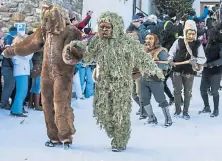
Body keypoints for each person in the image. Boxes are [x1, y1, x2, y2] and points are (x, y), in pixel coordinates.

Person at [3, 5, 84, 149]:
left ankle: (65, 135)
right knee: (47, 104)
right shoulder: (45, 31)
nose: (48, 24)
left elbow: (76, 49)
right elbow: (29, 44)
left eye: (50, 20)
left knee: (61, 104)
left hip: (62, 73)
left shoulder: (71, 31)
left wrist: (69, 53)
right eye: (45, 20)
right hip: (46, 73)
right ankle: (53, 136)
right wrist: (12, 50)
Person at [84, 12, 163, 152]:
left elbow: (141, 57)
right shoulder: (97, 40)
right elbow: (87, 56)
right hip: (103, 82)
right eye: (101, 27)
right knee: (101, 112)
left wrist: (155, 70)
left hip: (122, 83)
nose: (104, 30)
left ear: (115, 27)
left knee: (120, 112)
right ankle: (113, 131)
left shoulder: (127, 42)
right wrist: (76, 49)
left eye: (107, 27)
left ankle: (120, 140)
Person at [168, 20, 206, 120]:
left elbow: (203, 58)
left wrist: (196, 60)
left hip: (189, 71)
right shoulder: (179, 41)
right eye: (189, 33)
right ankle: (177, 110)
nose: (191, 36)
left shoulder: (198, 44)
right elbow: (171, 52)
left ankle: (185, 111)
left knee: (187, 92)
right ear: (185, 33)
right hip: (177, 70)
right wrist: (170, 59)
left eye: (193, 34)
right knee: (177, 91)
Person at [141, 34, 173, 127]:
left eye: (150, 38)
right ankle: (151, 118)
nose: (148, 40)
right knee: (144, 99)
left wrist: (153, 65)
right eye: (146, 38)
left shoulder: (161, 51)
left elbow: (165, 66)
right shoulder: (143, 51)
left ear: (155, 40)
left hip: (155, 79)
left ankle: (168, 119)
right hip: (144, 78)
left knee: (161, 100)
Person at [199, 28, 222, 117]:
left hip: (216, 71)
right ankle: (207, 107)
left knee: (214, 91)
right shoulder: (207, 44)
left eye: (211, 35)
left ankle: (216, 110)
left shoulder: (220, 46)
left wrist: (212, 64)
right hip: (206, 70)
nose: (210, 37)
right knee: (203, 89)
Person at [10, 34, 33, 117]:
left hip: (23, 71)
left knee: (23, 91)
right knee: (21, 92)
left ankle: (16, 108)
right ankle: (16, 110)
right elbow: (27, 57)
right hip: (20, 72)